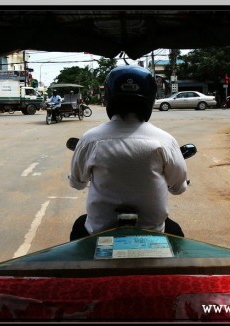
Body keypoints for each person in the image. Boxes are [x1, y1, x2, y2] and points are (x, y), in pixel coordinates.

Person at [68, 65, 188, 241]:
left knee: (79, 226)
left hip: (99, 232)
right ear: (150, 98)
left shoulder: (90, 139)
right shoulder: (165, 140)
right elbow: (178, 188)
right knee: (175, 232)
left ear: (108, 97)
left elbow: (77, 184)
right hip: (153, 231)